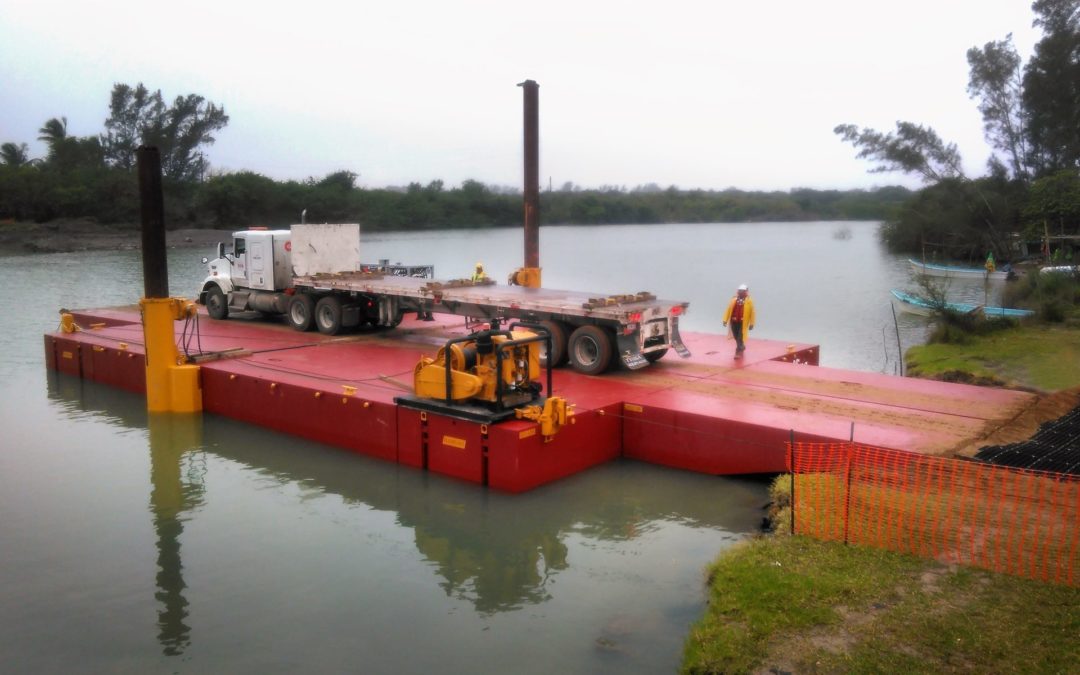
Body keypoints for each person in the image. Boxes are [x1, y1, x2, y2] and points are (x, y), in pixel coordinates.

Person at [722, 284, 755, 359]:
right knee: (736, 336)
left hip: (743, 322)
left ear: (746, 292)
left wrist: (752, 323)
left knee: (740, 336)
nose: (741, 292)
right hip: (734, 321)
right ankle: (742, 346)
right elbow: (728, 310)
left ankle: (738, 351)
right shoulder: (734, 300)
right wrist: (725, 320)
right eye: (739, 291)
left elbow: (752, 312)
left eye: (743, 291)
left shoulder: (749, 301)